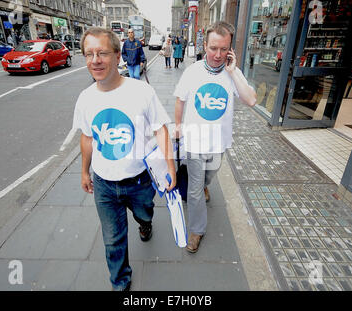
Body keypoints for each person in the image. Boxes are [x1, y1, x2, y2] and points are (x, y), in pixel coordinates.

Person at [73, 27, 176, 291]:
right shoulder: (85, 99)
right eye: (89, 54)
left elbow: (161, 129)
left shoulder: (141, 92)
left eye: (102, 53)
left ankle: (145, 223)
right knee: (113, 240)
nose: (95, 60)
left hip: (139, 180)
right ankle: (120, 284)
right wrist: (85, 172)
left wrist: (170, 167)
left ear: (118, 56)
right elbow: (87, 138)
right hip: (104, 184)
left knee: (145, 213)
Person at [173, 21, 257, 253]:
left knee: (208, 177)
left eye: (223, 49)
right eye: (213, 48)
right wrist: (178, 126)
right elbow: (180, 100)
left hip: (218, 142)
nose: (218, 55)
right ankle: (196, 230)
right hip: (193, 141)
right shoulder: (192, 72)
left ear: (230, 49)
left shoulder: (233, 73)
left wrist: (233, 72)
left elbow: (250, 100)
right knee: (194, 189)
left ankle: (205, 187)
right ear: (205, 46)